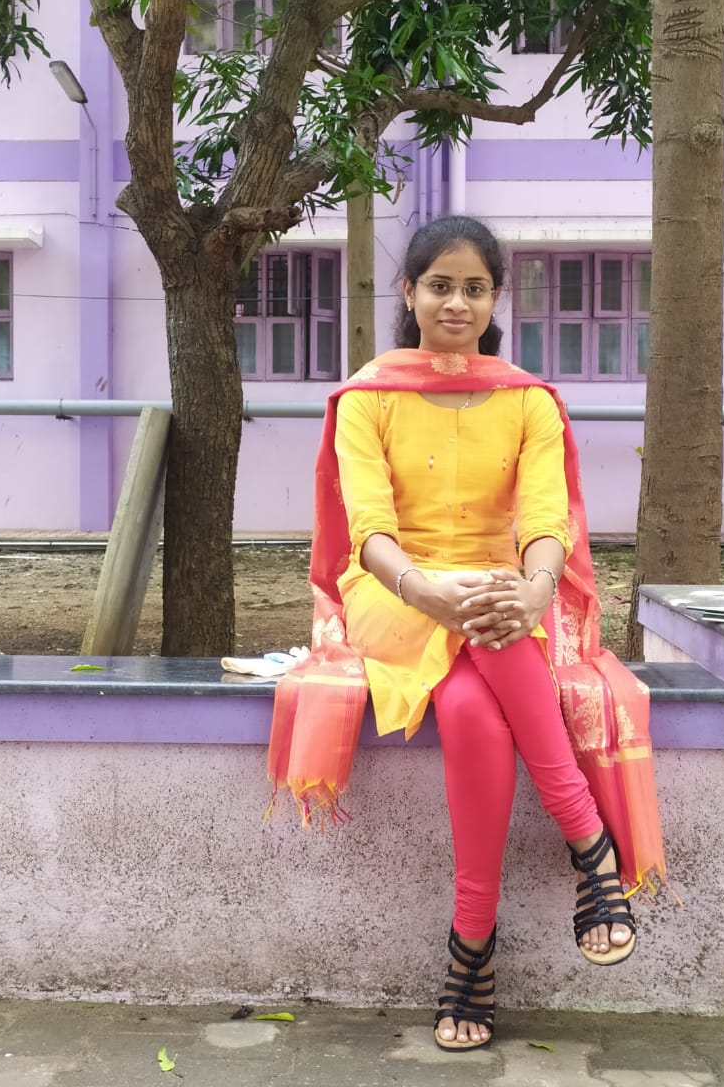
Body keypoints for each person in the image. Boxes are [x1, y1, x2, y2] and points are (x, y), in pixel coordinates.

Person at [268, 215, 664, 1053]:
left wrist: (535, 589)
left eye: (474, 288)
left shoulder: (528, 401)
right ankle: (586, 836)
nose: (456, 303)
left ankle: (470, 950)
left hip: (497, 593)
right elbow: (369, 529)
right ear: (408, 293)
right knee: (489, 624)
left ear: (493, 299)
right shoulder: (367, 398)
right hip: (391, 588)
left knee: (476, 713)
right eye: (439, 286)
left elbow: (545, 521)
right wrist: (426, 589)